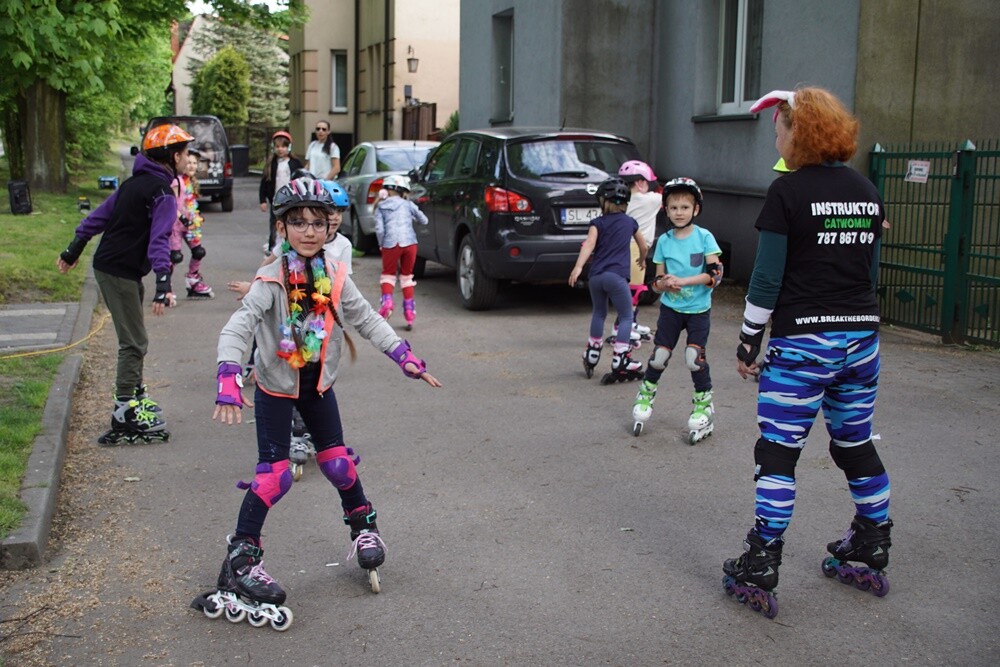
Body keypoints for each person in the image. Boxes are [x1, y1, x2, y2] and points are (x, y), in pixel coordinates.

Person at [195, 176, 442, 627]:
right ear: (282, 228)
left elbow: (365, 318)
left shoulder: (336, 275)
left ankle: (365, 529)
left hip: (318, 388)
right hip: (275, 389)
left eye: (317, 223)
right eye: (298, 223)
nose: (308, 231)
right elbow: (238, 328)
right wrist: (229, 375)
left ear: (330, 229)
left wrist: (402, 355)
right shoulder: (270, 280)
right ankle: (241, 558)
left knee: (338, 465)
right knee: (273, 479)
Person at [722, 87, 891, 619]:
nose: (776, 138)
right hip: (862, 339)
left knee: (778, 451)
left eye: (779, 129)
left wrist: (750, 339)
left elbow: (767, 277)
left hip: (803, 344)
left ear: (800, 132)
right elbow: (870, 272)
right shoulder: (866, 191)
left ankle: (762, 558)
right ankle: (872, 540)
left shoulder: (786, 193)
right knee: (855, 444)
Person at [56, 124, 193, 444]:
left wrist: (73, 248)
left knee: (135, 338)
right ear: (173, 157)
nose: (188, 159)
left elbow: (98, 218)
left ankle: (135, 395)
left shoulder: (134, 184)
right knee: (134, 342)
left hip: (118, 269)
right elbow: (159, 240)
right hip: (118, 270)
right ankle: (123, 411)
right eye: (185, 153)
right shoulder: (162, 193)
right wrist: (163, 283)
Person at [630, 178, 722, 442]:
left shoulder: (705, 238)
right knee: (659, 356)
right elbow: (656, 282)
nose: (679, 212)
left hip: (698, 310)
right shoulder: (664, 241)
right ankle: (645, 397)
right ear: (666, 210)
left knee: (694, 358)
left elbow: (715, 275)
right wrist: (664, 284)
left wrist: (684, 281)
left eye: (684, 207)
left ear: (696, 209)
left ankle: (703, 405)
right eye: (673, 208)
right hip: (671, 309)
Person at [569, 176, 648, 385]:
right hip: (616, 277)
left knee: (599, 313)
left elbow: (588, 245)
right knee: (626, 316)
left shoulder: (597, 223)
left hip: (596, 277)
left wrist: (578, 267)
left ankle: (592, 352)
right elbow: (644, 245)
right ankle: (620, 357)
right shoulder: (630, 223)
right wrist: (642, 259)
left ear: (602, 201)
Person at [373, 174, 428, 330]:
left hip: (390, 243)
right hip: (410, 243)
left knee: (388, 275)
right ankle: (409, 314)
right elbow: (424, 220)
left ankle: (387, 302)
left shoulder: (381, 207)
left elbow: (379, 229)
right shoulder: (408, 204)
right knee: (406, 277)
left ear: (386, 191)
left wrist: (381, 245)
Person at [618, 159, 662, 344]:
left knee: (627, 288)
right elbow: (669, 196)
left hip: (623, 246)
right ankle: (623, 327)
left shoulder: (624, 200)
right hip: (637, 248)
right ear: (640, 182)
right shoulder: (649, 200)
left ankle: (631, 323)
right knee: (634, 290)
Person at [171, 148, 213, 298]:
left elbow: (190, 203)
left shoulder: (191, 181)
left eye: (195, 163)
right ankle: (165, 287)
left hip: (190, 224)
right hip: (175, 225)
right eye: (188, 162)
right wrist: (182, 218)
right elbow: (172, 205)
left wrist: (196, 215)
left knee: (198, 252)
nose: (192, 166)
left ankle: (193, 280)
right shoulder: (177, 181)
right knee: (175, 256)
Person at [260, 130, 304, 251]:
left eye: (284, 146)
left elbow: (301, 180)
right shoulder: (271, 164)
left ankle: (292, 244)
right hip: (276, 199)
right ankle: (272, 246)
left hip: (292, 199)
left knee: (291, 221)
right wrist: (262, 200)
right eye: (278, 146)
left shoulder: (295, 163)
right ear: (273, 148)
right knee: (275, 222)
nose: (280, 149)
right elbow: (264, 182)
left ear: (289, 147)